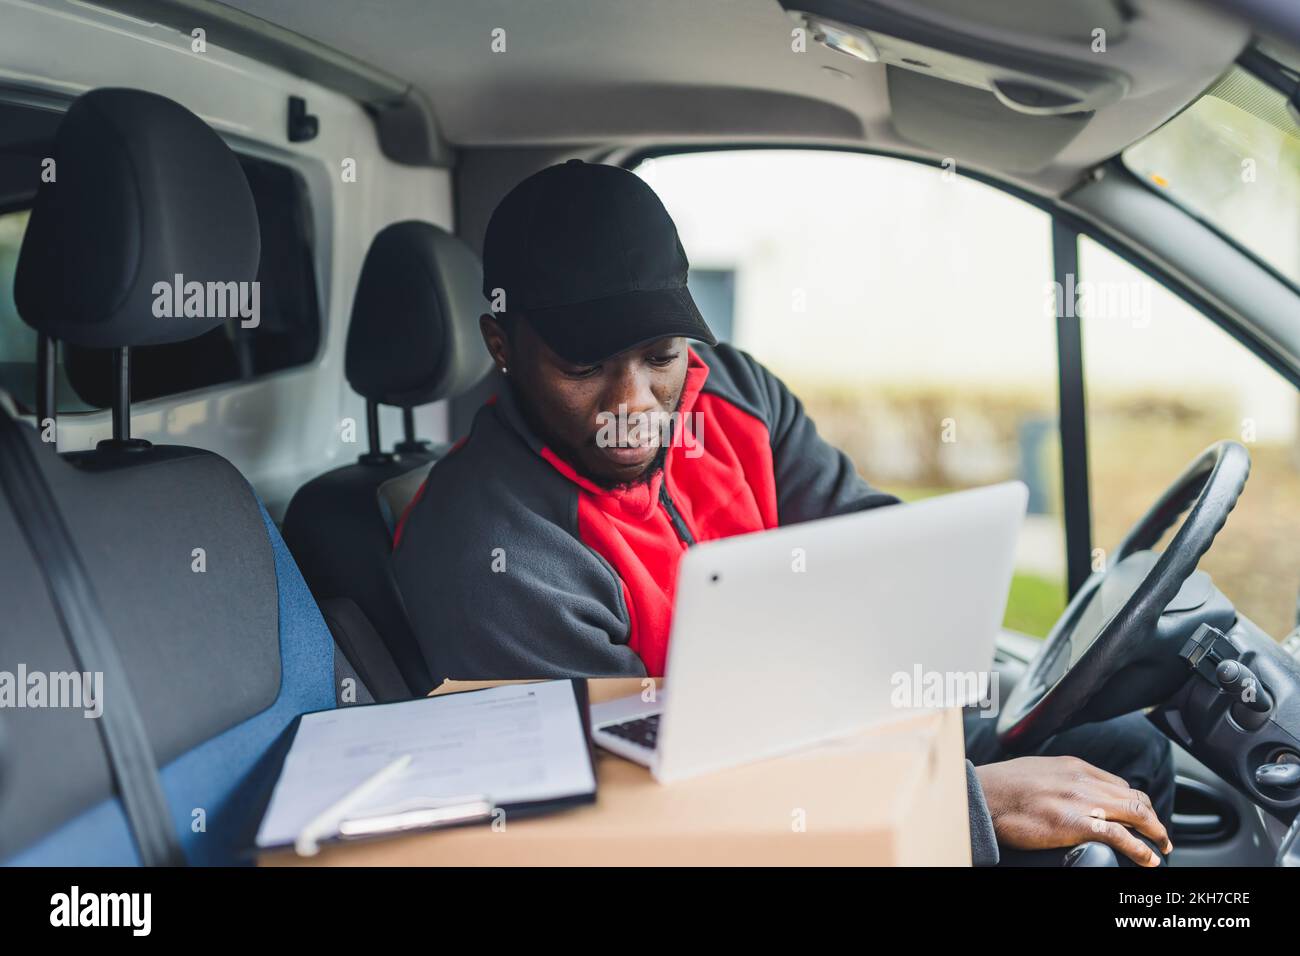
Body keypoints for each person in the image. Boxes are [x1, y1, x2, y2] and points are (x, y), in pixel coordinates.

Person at [393, 160, 1174, 866]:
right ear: (501, 342)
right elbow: (638, 809)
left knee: (1128, 754)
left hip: (829, 724)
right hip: (719, 820)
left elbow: (873, 543)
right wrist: (965, 803)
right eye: (585, 367)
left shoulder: (735, 393)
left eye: (660, 355)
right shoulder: (490, 553)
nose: (633, 406)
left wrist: (934, 673)